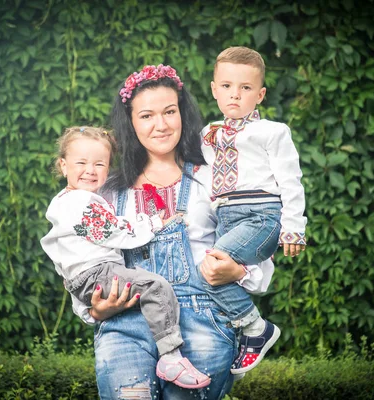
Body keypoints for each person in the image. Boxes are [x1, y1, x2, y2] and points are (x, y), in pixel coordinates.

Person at [70, 64, 274, 399]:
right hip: (126, 321)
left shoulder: (213, 178)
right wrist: (93, 311)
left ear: (183, 113)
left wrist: (239, 270)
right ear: (131, 122)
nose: (161, 125)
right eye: (147, 116)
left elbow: (255, 238)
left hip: (203, 321)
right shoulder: (107, 191)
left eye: (169, 111)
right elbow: (80, 258)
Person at [40, 126, 211, 389]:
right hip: (99, 274)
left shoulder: (72, 200)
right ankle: (170, 355)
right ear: (63, 165)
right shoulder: (77, 204)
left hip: (87, 278)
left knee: (144, 293)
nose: (91, 170)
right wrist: (154, 222)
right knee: (156, 286)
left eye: (100, 163)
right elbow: (114, 231)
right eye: (81, 163)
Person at [200, 46, 307, 374]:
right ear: (214, 89)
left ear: (259, 94)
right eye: (227, 86)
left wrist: (293, 227)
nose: (235, 95)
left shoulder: (273, 132)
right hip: (226, 216)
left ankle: (255, 329)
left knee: (211, 268)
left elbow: (291, 181)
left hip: (262, 214)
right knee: (212, 276)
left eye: (245, 88)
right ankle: (232, 335)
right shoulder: (208, 134)